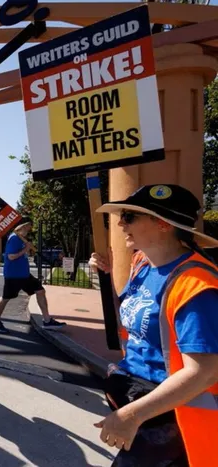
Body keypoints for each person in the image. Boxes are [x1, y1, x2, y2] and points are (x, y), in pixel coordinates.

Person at [88, 184, 218, 466]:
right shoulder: (143, 264)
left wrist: (131, 415)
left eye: (129, 216)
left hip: (173, 422)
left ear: (163, 224)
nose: (121, 224)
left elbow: (204, 372)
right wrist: (106, 276)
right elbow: (131, 319)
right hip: (147, 408)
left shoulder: (196, 286)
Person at [0, 216, 66, 333]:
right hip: (13, 275)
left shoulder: (21, 239)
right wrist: (26, 249)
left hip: (25, 275)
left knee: (40, 291)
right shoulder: (14, 238)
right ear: (24, 226)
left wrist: (26, 248)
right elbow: (11, 257)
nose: (30, 228)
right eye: (29, 225)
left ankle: (47, 321)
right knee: (6, 298)